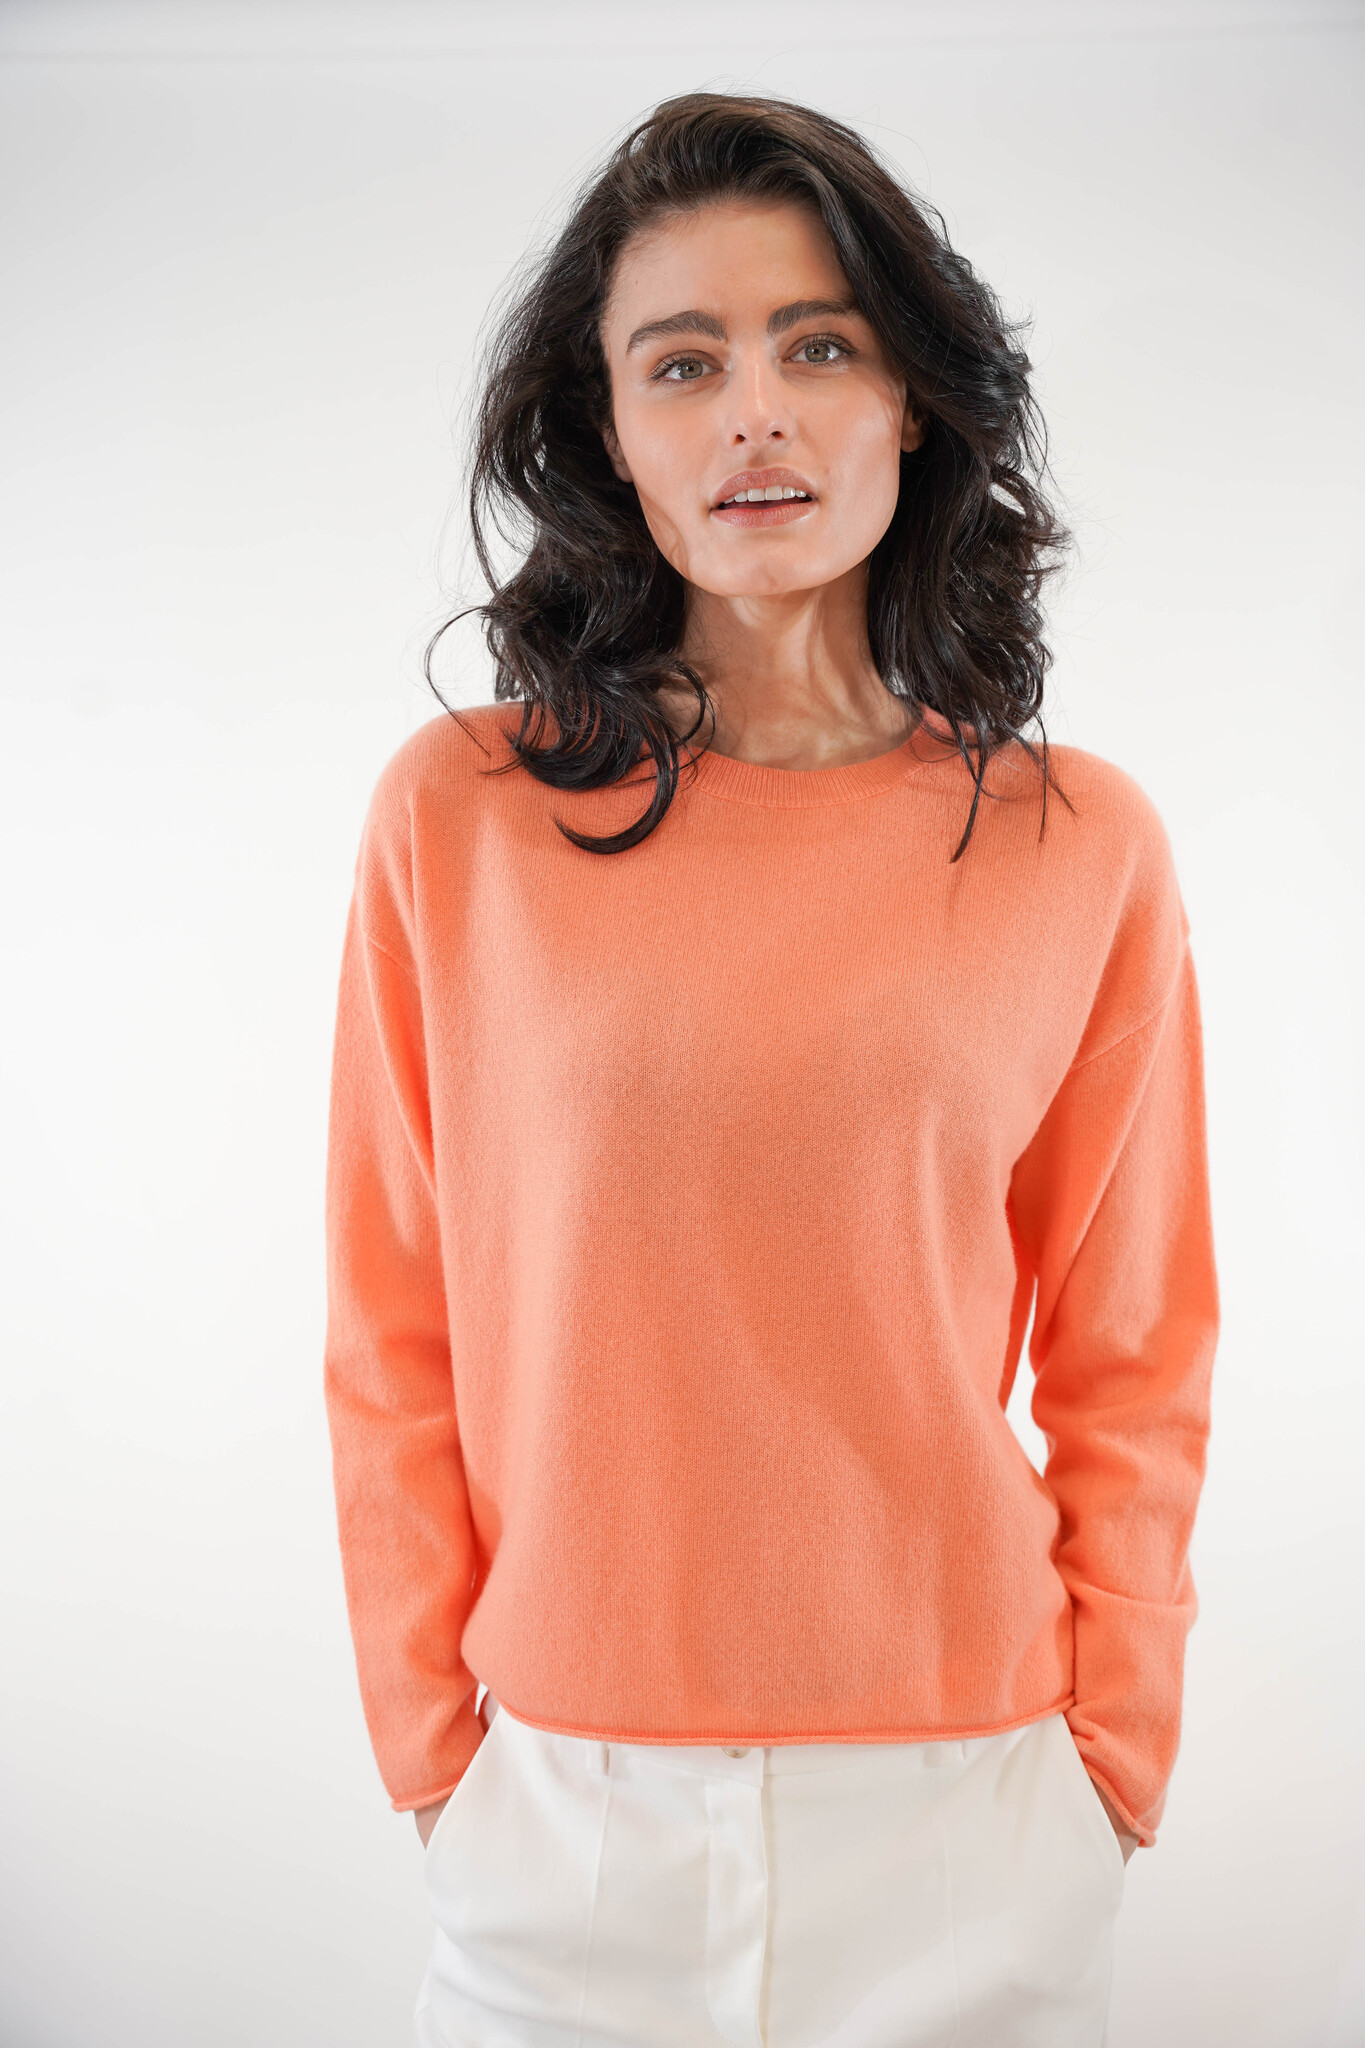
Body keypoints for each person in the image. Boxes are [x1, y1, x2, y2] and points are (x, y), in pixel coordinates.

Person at [323, 91, 1218, 2048]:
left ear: (910, 403)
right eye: (682, 362)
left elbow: (1133, 1353)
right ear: (606, 433)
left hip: (970, 1819)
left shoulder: (1080, 846)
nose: (754, 413)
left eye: (817, 346)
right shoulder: (456, 819)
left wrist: (1109, 1766)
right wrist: (434, 1754)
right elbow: (391, 1327)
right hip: (561, 1829)